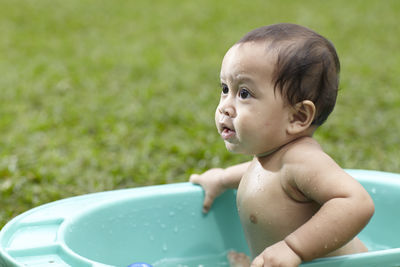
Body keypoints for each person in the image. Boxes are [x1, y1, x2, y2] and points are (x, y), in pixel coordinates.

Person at [189, 23, 375, 267]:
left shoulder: (303, 160)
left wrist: (293, 248)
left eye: (244, 93)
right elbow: (263, 178)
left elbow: (356, 202)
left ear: (297, 117)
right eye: (225, 89)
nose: (225, 106)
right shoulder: (274, 159)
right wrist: (223, 178)